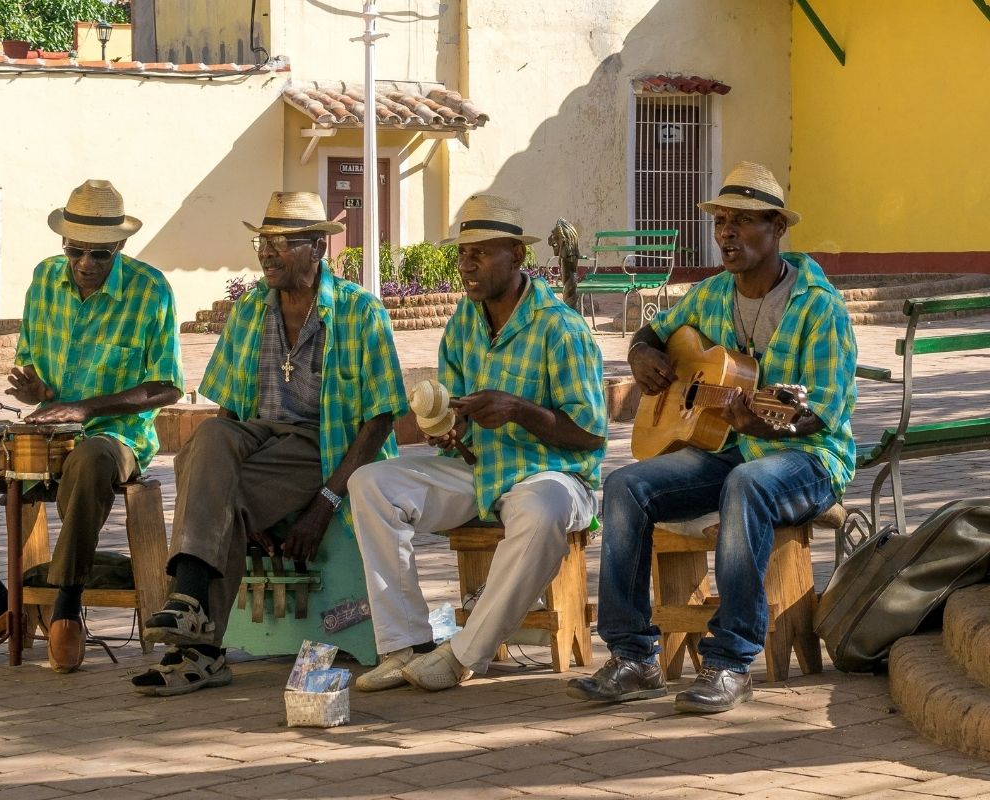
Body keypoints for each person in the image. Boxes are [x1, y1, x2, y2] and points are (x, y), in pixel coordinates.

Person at [569, 162, 856, 713]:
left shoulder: (819, 308)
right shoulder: (712, 294)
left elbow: (821, 411)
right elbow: (653, 331)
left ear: (776, 228)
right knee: (626, 485)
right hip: (729, 448)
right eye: (721, 221)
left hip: (808, 458)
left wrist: (772, 418)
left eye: (742, 221)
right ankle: (633, 657)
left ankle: (731, 663)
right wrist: (642, 354)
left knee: (748, 485)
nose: (726, 232)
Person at [0, 179, 184, 674]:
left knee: (90, 459)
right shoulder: (45, 278)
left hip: (116, 439)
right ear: (63, 245)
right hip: (41, 435)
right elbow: (33, 368)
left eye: (100, 254)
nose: (86, 264)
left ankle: (67, 606)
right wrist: (36, 391)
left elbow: (167, 387)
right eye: (76, 251)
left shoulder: (151, 289)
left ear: (120, 247)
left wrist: (86, 408)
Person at [131, 191, 409, 696]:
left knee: (226, 499)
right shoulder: (250, 311)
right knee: (209, 437)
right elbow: (228, 413)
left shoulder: (358, 311)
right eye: (262, 241)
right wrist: (225, 480)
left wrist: (325, 501)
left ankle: (196, 650)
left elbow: (382, 416)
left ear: (318, 248)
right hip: (257, 439)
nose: (266, 253)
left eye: (282, 242)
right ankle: (192, 614)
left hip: (321, 445)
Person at [348, 194, 607, 692]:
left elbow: (591, 432)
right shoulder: (463, 323)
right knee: (371, 483)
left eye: (481, 253)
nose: (467, 264)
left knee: (542, 511)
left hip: (551, 472)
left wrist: (519, 410)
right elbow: (455, 413)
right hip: (479, 468)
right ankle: (406, 645)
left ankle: (462, 654)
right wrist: (447, 426)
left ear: (517, 256)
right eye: (463, 254)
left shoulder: (560, 327)